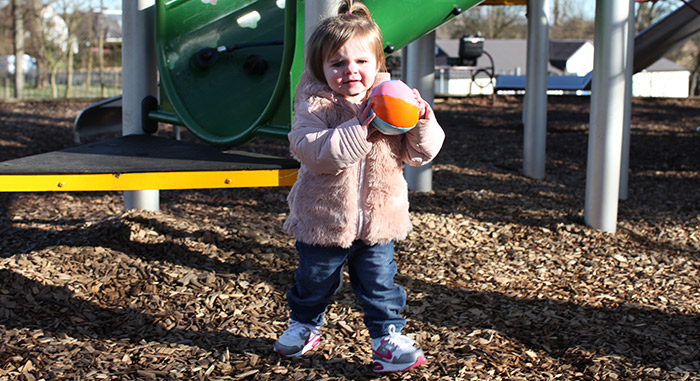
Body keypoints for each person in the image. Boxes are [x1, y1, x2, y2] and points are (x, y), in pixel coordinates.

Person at [273, 0, 445, 373]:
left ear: (377, 64)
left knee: (381, 286)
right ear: (321, 68)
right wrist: (359, 128)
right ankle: (305, 324)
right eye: (337, 63)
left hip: (379, 220)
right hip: (323, 219)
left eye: (361, 62)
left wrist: (421, 122)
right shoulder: (314, 105)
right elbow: (313, 152)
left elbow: (420, 154)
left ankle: (386, 338)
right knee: (314, 281)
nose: (350, 71)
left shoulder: (392, 100)